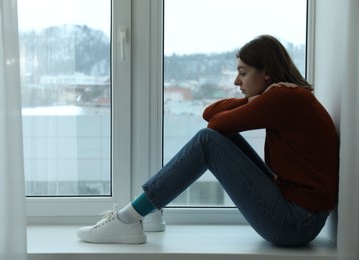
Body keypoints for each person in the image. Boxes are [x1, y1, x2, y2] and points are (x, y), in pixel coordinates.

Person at [77, 35, 339, 247]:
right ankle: (147, 211)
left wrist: (256, 100)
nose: (237, 81)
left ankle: (128, 220)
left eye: (243, 73)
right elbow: (209, 114)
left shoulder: (285, 98)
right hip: (302, 217)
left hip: (293, 224)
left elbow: (213, 124)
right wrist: (253, 99)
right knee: (219, 137)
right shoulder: (287, 97)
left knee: (208, 140)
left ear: (267, 73)